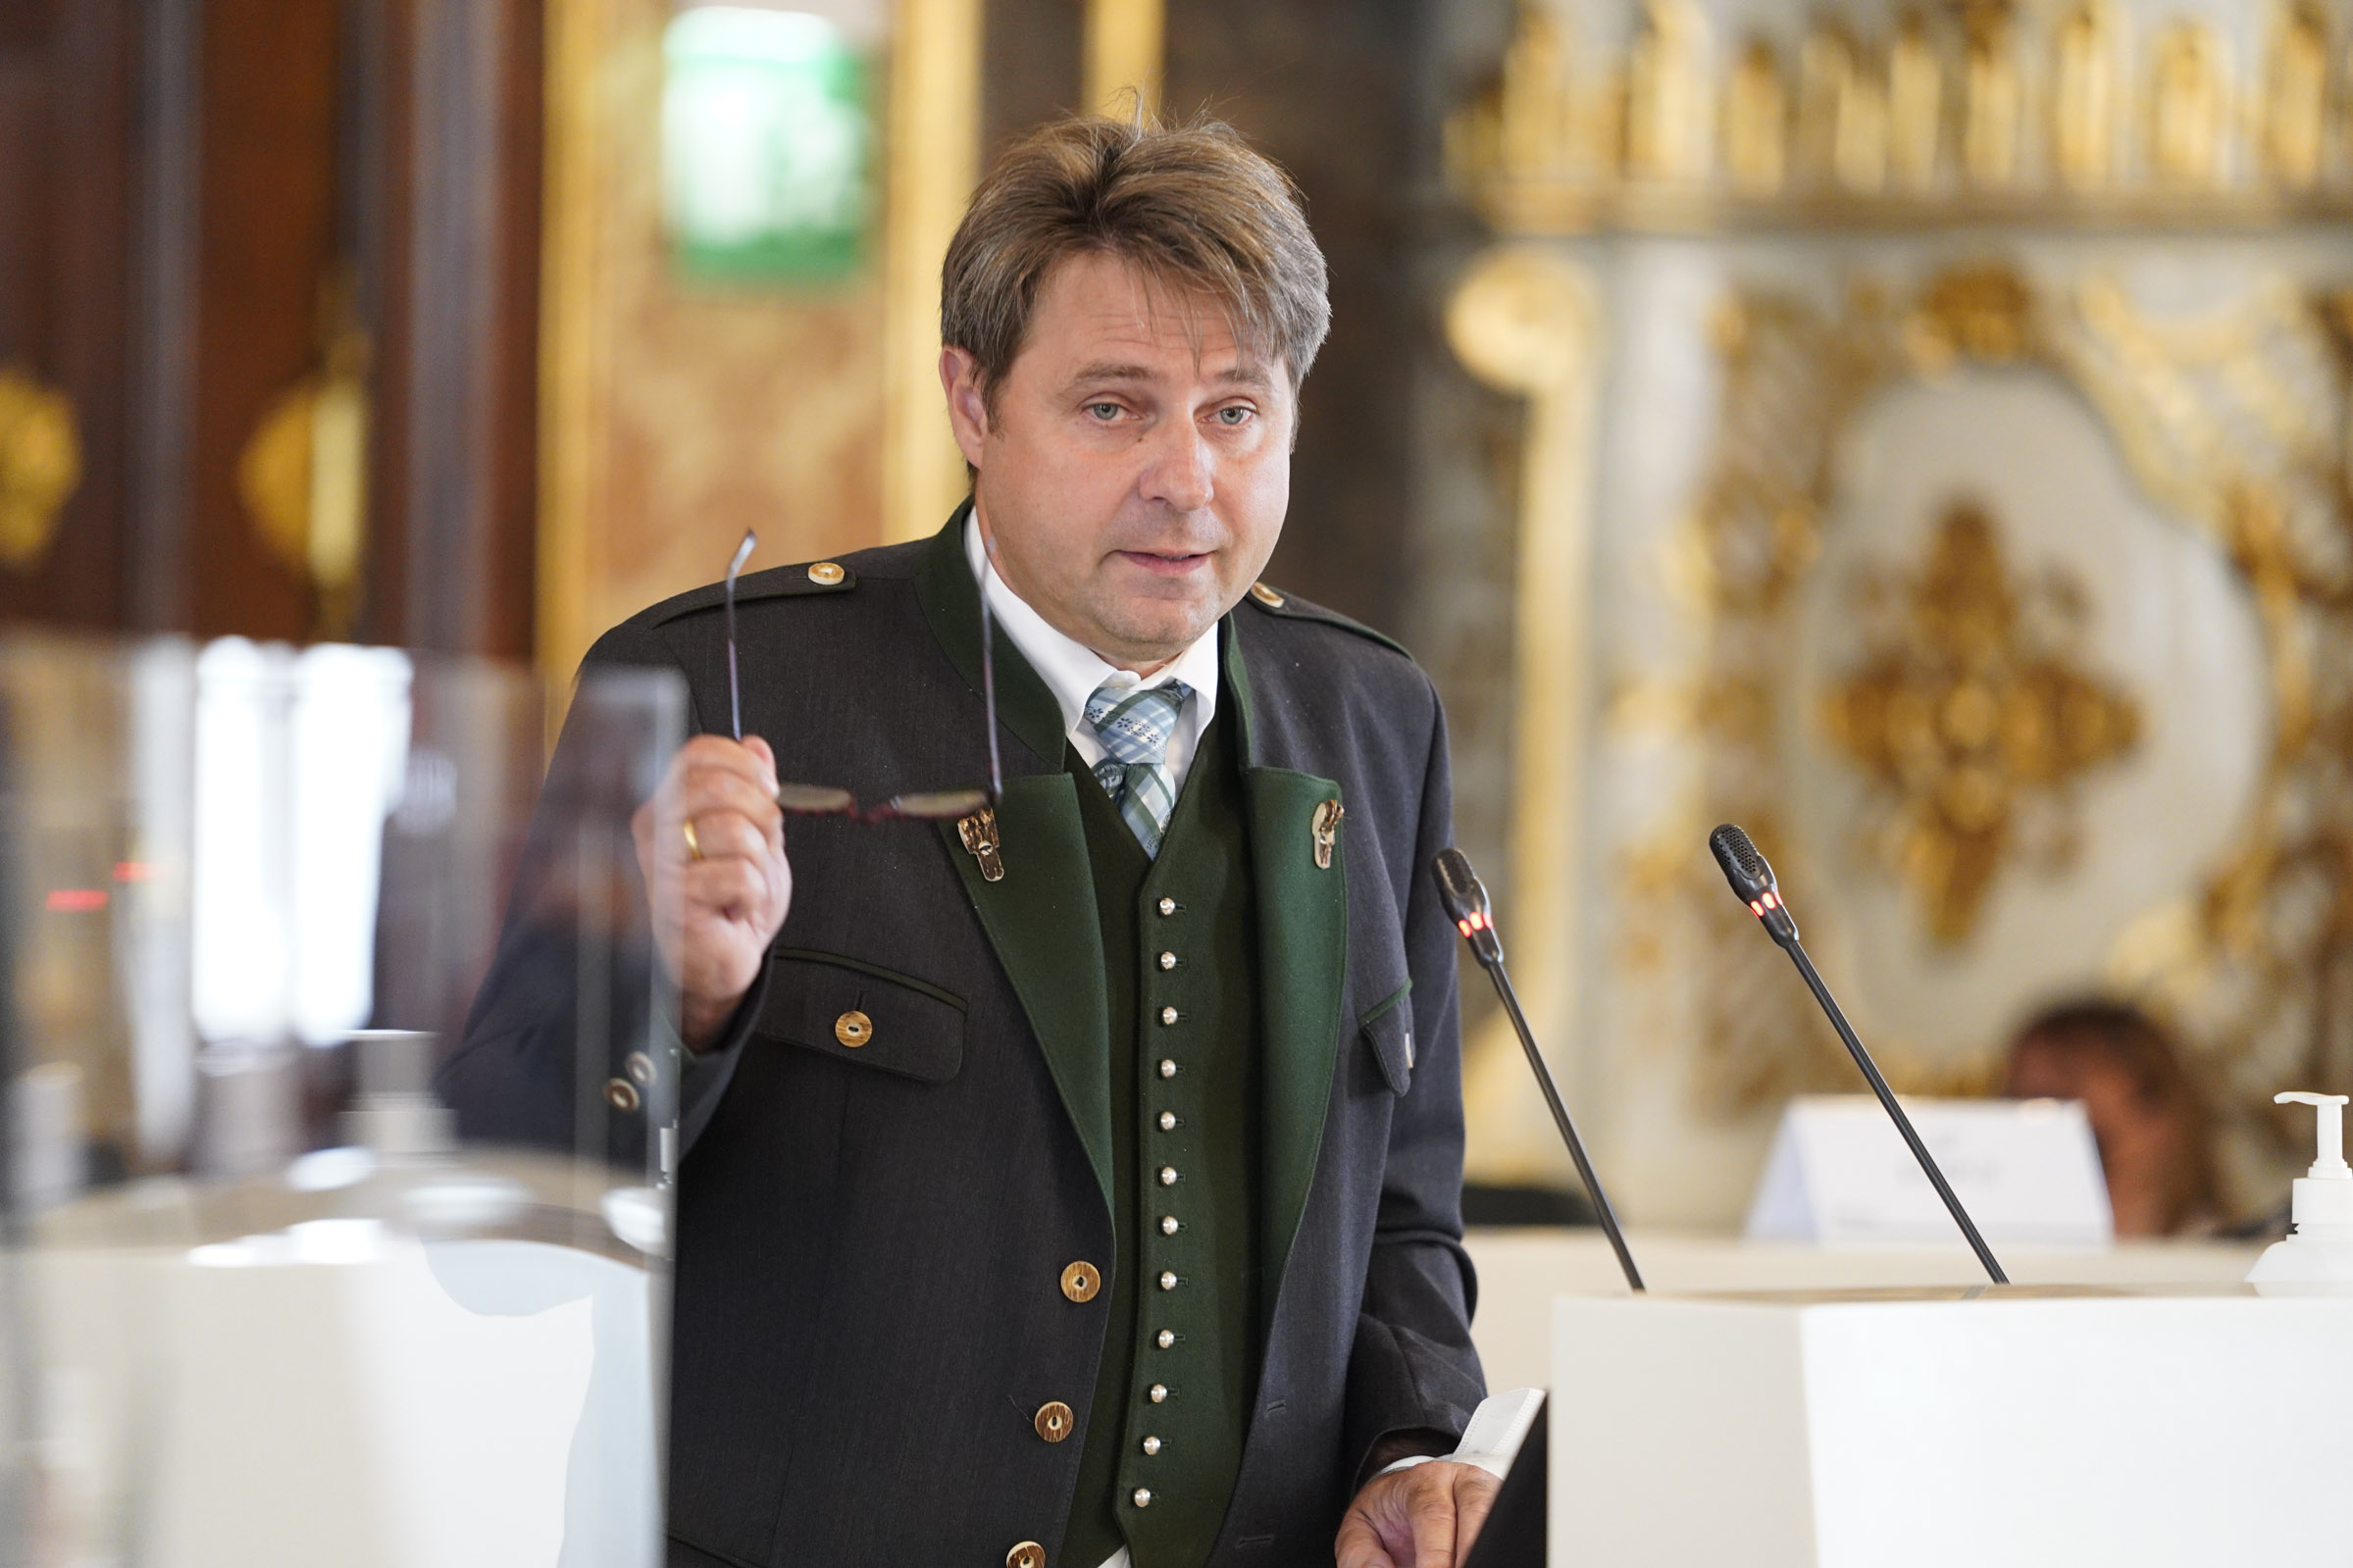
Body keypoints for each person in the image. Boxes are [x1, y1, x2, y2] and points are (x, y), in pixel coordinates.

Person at [446, 114, 1492, 1568]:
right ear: (972, 404)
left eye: (1233, 412)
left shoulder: (1373, 716)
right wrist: (671, 1004)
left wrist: (1409, 1446)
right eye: (1113, 408)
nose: (1186, 479)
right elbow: (493, 1234)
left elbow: (1403, 1218)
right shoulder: (718, 688)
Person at [2001, 999, 2222, 1237]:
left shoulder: (2221, 1252)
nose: (2040, 1112)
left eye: (2066, 1080)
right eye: (2018, 1096)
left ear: (2154, 1109)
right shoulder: (2012, 1247)